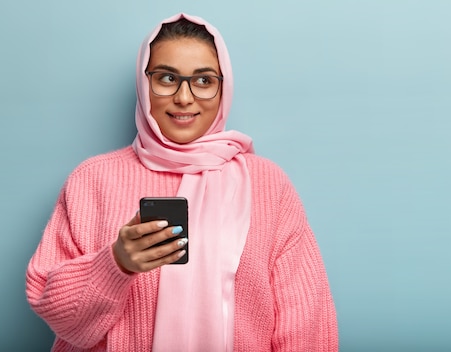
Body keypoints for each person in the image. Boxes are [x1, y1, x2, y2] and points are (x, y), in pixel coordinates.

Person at [25, 12, 338, 352]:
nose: (184, 97)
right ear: (144, 84)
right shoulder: (92, 180)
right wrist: (115, 263)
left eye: (203, 81)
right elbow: (58, 316)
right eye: (167, 78)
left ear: (224, 87)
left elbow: (306, 322)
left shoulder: (267, 184)